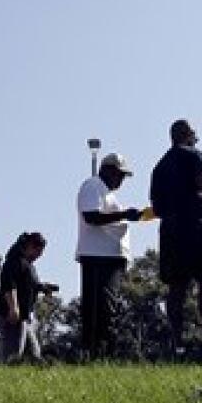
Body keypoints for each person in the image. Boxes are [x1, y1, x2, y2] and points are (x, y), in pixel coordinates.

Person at [150, 120, 202, 358]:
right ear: (188, 135)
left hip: (171, 228)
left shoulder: (159, 166)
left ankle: (178, 344)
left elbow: (156, 206)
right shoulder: (194, 155)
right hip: (198, 224)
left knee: (176, 287)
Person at [77, 153, 144, 360]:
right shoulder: (93, 186)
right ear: (108, 170)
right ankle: (96, 353)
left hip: (108, 256)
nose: (121, 181)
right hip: (98, 256)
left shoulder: (107, 193)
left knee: (108, 308)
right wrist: (124, 215)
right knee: (100, 309)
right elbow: (92, 217)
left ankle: (104, 352)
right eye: (120, 175)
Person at [0, 232, 57, 361]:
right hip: (11, 315)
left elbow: (28, 285)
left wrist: (43, 287)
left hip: (23, 317)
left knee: (34, 354)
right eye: (38, 251)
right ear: (30, 246)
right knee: (13, 354)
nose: (39, 256)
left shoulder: (27, 265)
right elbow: (9, 285)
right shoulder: (14, 262)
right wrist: (13, 308)